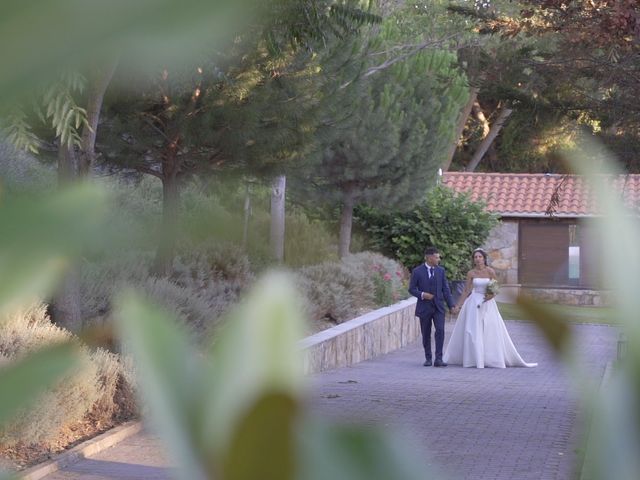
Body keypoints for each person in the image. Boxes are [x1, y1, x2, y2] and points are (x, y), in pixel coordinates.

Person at [443, 248, 537, 368]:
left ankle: (489, 358)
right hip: (474, 302)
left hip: (487, 303)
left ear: (484, 258)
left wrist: (491, 295)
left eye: (480, 257)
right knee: (472, 330)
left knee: (489, 329)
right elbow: (466, 290)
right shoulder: (471, 273)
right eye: (475, 257)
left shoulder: (490, 271)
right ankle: (473, 358)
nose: (477, 259)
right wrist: (458, 305)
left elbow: (496, 287)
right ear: (473, 260)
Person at [409, 246, 457, 367]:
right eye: (436, 257)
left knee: (440, 330)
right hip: (424, 307)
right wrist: (423, 294)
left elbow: (445, 290)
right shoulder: (417, 271)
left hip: (438, 307)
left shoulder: (441, 271)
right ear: (429, 258)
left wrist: (451, 305)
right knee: (426, 333)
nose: (438, 259)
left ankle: (438, 359)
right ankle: (428, 358)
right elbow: (412, 289)